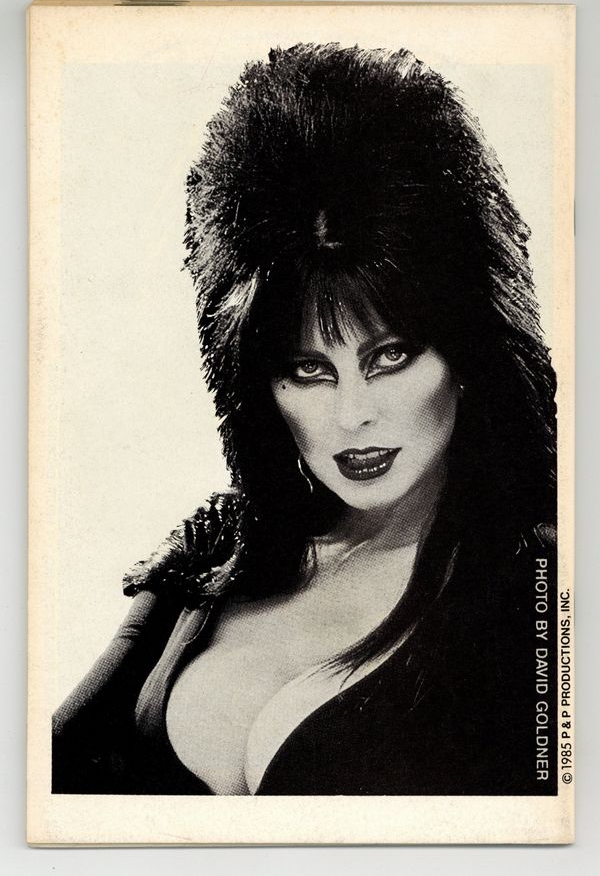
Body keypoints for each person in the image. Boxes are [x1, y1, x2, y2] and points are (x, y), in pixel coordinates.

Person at [52, 43, 557, 796]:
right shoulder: (220, 546)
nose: (353, 415)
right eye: (308, 370)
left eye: (390, 357)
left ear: (467, 349)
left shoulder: (544, 586)